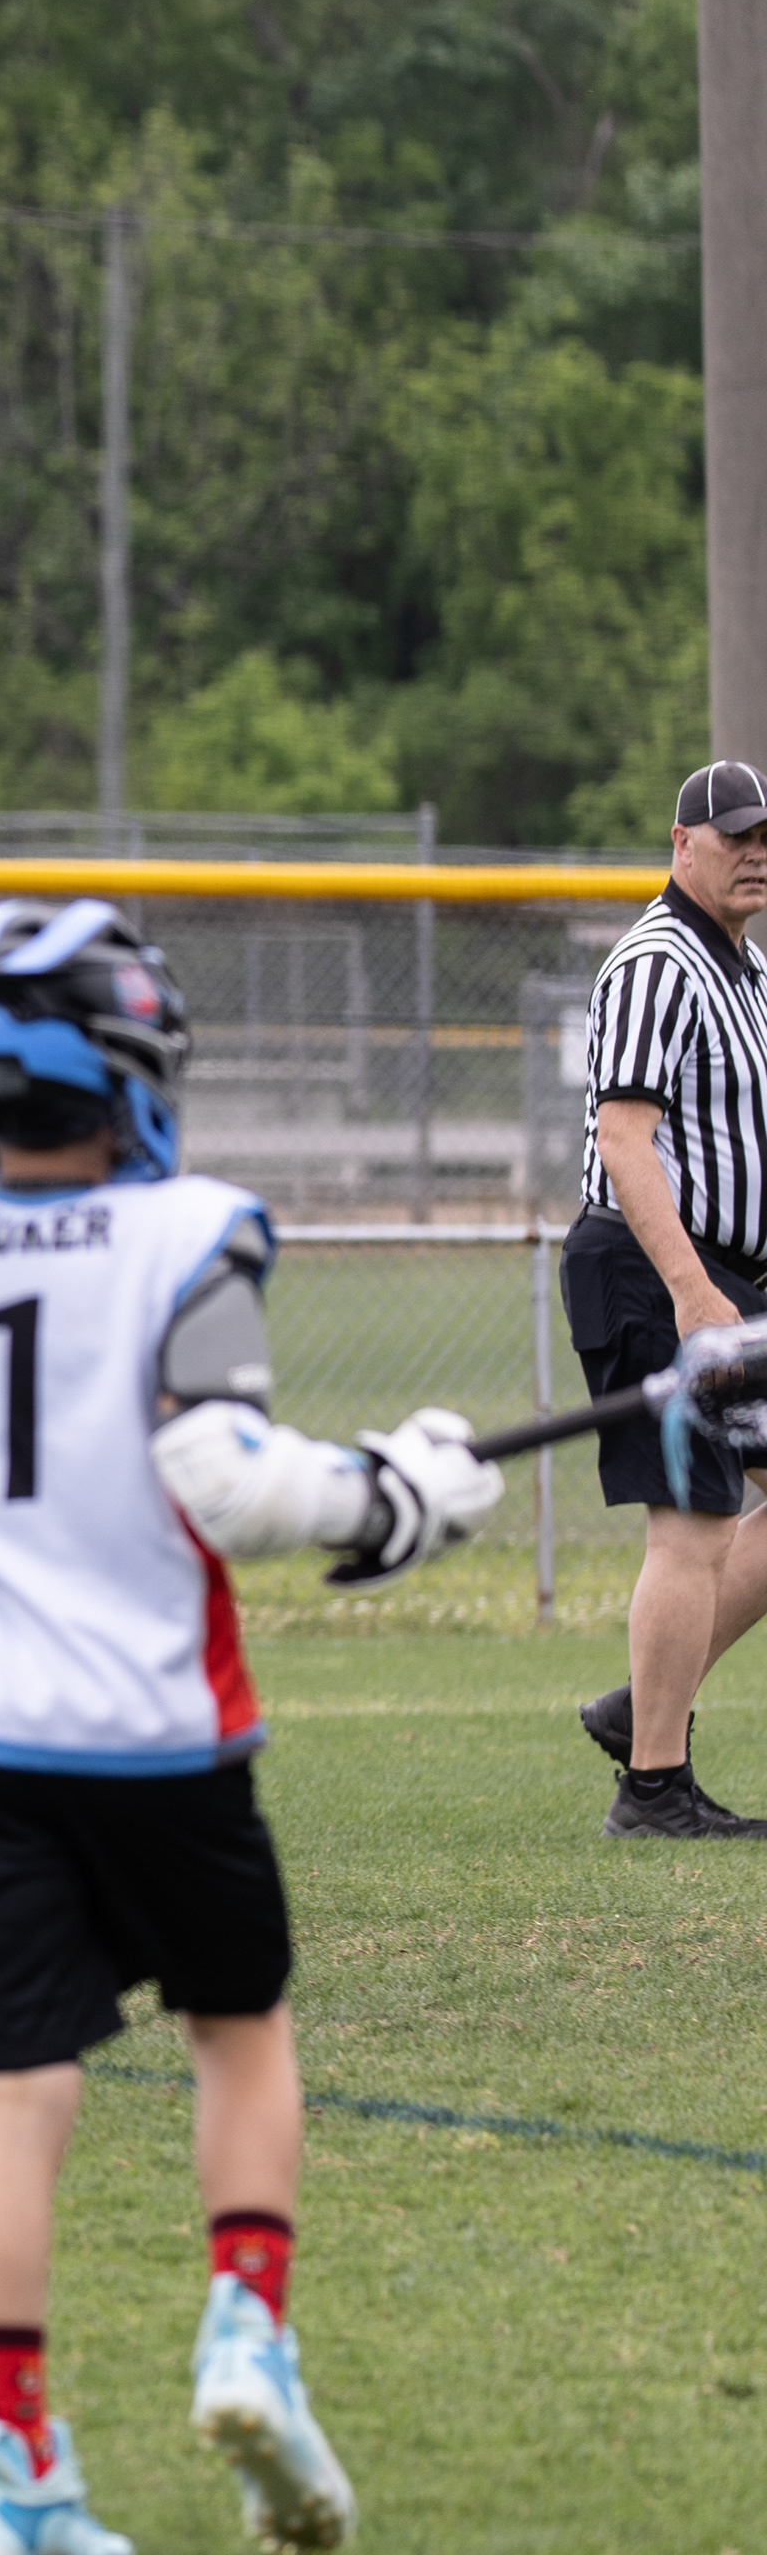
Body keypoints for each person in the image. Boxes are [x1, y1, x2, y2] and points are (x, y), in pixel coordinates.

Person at [0, 898, 500, 2554]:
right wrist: (397, 1494)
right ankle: (247, 2331)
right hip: (164, 1736)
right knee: (237, 2028)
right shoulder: (190, 1234)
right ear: (128, 1074)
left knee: (15, 2090)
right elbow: (224, 1480)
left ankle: (14, 2465)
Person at [562, 758, 767, 1839]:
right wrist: (690, 1290)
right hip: (657, 1272)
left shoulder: (748, 969)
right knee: (692, 1522)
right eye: (735, 835)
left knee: (718, 1518)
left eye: (765, 838)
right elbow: (624, 1138)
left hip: (725, 1278)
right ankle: (653, 1789)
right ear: (682, 843)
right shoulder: (659, 962)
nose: (754, 854)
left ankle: (642, 1705)